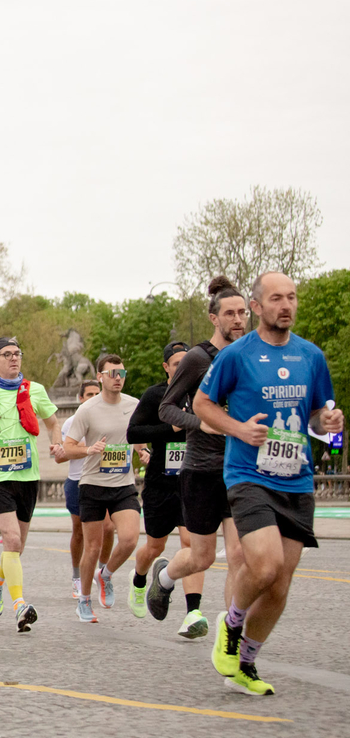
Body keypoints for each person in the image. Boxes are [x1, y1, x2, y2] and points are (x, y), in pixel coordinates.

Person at [193, 272, 341, 695]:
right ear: (257, 307)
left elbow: (321, 422)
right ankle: (232, 622)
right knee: (266, 563)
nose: (286, 305)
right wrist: (239, 429)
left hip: (296, 480)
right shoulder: (237, 355)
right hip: (248, 475)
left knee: (281, 582)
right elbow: (203, 405)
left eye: (291, 297)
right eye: (276, 298)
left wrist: (331, 426)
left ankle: (246, 664)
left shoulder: (311, 356)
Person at [149, 276, 250, 638]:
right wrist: (202, 424)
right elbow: (166, 410)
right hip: (202, 470)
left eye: (243, 312)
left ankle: (231, 637)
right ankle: (164, 577)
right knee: (201, 557)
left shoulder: (252, 355)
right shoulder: (197, 358)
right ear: (214, 318)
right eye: (230, 313)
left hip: (241, 470)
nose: (238, 319)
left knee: (240, 556)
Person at [0, 337, 61, 633]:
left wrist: (57, 443)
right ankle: (20, 606)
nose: (14, 358)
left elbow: (53, 423)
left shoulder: (35, 391)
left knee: (18, 547)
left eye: (17, 353)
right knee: (11, 541)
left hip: (28, 477)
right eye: (7, 354)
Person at [63, 354, 145, 622]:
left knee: (131, 538)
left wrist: (144, 452)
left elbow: (138, 438)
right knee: (93, 547)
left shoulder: (134, 405)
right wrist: (90, 449)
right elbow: (68, 447)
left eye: (121, 373)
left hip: (123, 484)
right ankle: (84, 600)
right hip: (93, 485)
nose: (118, 378)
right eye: (112, 373)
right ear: (100, 376)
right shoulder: (87, 410)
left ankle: (106, 574)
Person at [125, 343, 197, 621]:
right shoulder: (156, 395)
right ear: (166, 367)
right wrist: (172, 428)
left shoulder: (201, 392)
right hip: (160, 483)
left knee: (191, 543)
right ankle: (140, 581)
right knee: (156, 547)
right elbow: (133, 433)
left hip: (191, 482)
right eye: (176, 363)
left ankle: (193, 612)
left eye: (186, 362)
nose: (182, 367)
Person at [54, 380, 113, 599]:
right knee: (78, 530)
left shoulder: (109, 418)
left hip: (104, 480)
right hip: (78, 480)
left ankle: (103, 572)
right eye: (89, 394)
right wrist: (86, 450)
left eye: (96, 393)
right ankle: (77, 577)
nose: (93, 397)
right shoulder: (72, 421)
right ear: (80, 398)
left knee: (108, 528)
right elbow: (63, 455)